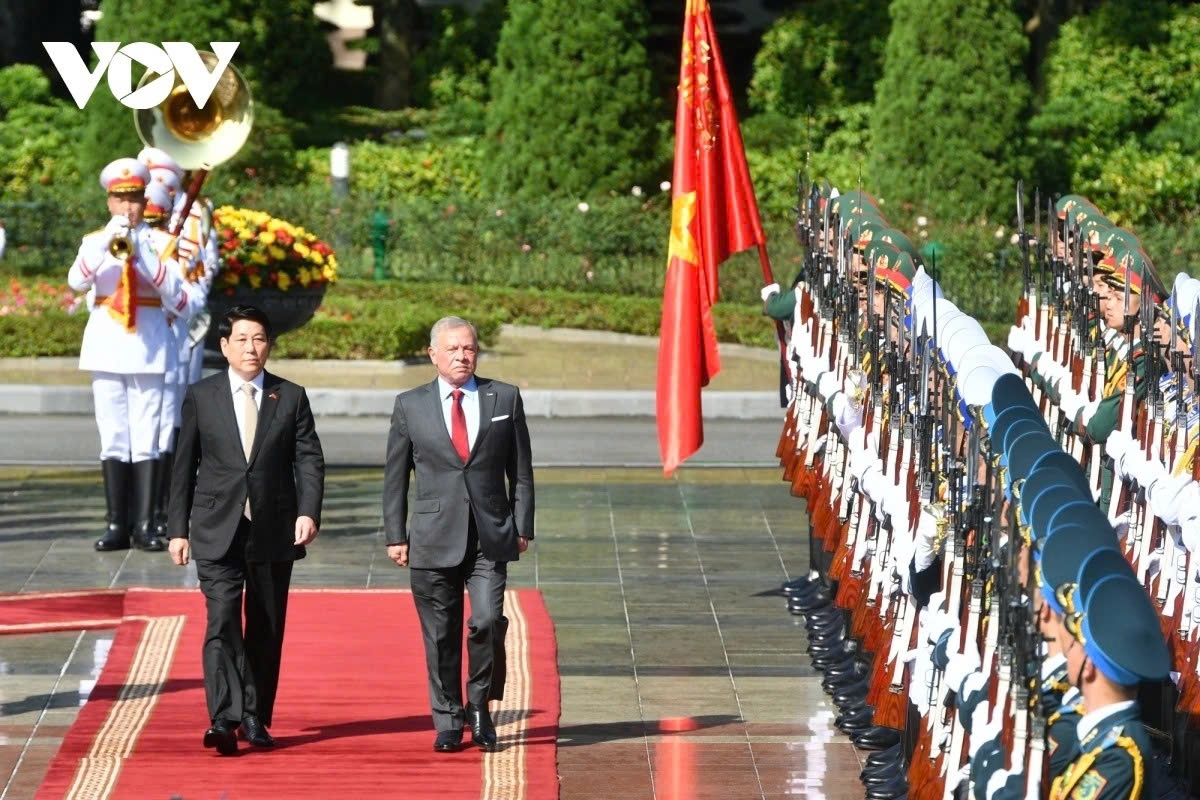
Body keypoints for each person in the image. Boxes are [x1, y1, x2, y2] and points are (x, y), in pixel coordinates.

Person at [166, 305, 325, 755]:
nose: (251, 348)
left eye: (259, 339)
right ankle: (223, 718)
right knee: (221, 621)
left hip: (273, 528)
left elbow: (309, 458)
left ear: (269, 345)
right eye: (241, 339)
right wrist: (178, 529)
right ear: (224, 346)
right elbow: (184, 466)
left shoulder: (289, 396)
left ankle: (254, 716)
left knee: (265, 626)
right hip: (217, 527)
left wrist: (308, 511)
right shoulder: (203, 395)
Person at [383, 315, 535, 753]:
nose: (461, 356)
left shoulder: (503, 396)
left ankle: (479, 707)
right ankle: (448, 718)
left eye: (468, 348)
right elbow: (395, 476)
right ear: (433, 355)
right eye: (452, 349)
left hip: (491, 534)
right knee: (440, 633)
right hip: (432, 536)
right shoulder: (410, 404)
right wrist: (396, 534)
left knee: (486, 621)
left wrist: (523, 524)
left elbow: (520, 471)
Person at [67, 158, 193, 553]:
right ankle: (116, 523)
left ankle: (145, 523)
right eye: (120, 199)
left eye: (135, 199)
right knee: (113, 435)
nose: (128, 208)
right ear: (109, 202)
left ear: (144, 200)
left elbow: (180, 298)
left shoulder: (161, 244)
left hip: (148, 347)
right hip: (106, 347)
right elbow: (76, 281)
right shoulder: (94, 241)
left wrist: (142, 255)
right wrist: (109, 242)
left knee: (147, 436)